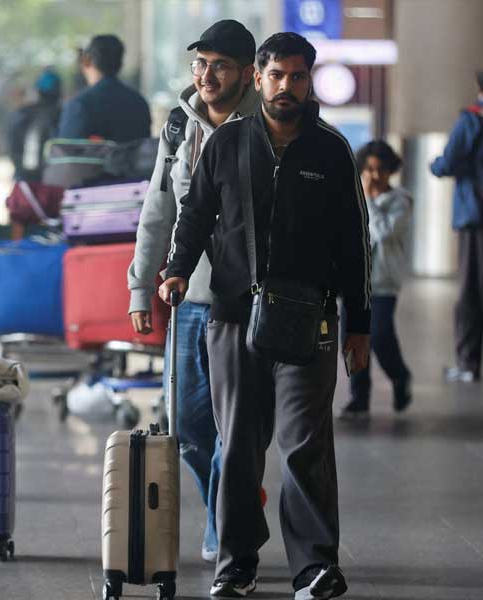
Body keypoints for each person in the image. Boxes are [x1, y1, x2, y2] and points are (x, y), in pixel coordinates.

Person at [158, 32, 370, 599]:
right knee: (240, 447)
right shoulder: (227, 144)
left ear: (309, 82)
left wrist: (360, 324)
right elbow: (194, 214)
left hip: (311, 320)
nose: (286, 87)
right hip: (233, 316)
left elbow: (355, 243)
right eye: (276, 76)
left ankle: (314, 567)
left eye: (297, 77)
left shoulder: (330, 151)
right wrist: (176, 269)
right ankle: (237, 564)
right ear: (258, 78)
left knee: (305, 444)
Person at [128, 19, 260, 564]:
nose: (206, 75)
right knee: (185, 424)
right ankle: (229, 505)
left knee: (239, 425)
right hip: (186, 299)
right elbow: (157, 211)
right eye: (199, 64)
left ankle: (226, 530)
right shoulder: (179, 127)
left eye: (220, 65)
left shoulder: (266, 126)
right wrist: (141, 287)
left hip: (244, 302)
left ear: (248, 74)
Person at [338, 140, 413, 419]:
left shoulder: (401, 201)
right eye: (368, 169)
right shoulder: (351, 196)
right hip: (354, 282)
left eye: (380, 169)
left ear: (390, 170)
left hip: (383, 283)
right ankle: (359, 398)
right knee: (351, 339)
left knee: (380, 337)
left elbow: (383, 232)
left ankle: (400, 376)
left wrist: (368, 201)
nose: (373, 175)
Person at [431, 71, 483, 384]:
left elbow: (446, 163)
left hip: (475, 215)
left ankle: (468, 362)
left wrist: (435, 164)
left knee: (470, 291)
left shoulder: (471, 120)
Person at [57, 34, 150, 143]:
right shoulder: (139, 103)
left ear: (86, 61)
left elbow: (65, 155)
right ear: (120, 64)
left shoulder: (80, 105)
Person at [7, 67, 62, 181]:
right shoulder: (64, 114)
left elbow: (13, 149)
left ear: (37, 91)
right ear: (59, 92)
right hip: (56, 181)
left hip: (25, 179)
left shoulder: (21, 114)